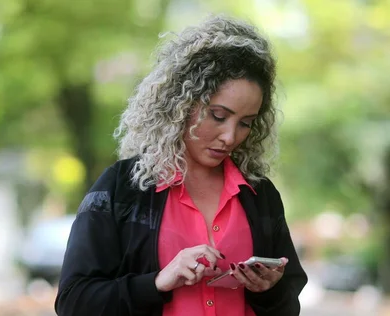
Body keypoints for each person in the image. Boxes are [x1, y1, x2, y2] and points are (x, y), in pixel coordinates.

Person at [54, 15, 308, 316]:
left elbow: (288, 305)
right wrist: (158, 282)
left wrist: (269, 291)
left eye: (245, 123)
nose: (230, 136)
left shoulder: (260, 195)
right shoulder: (121, 189)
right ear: (181, 104)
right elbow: (74, 302)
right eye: (218, 115)